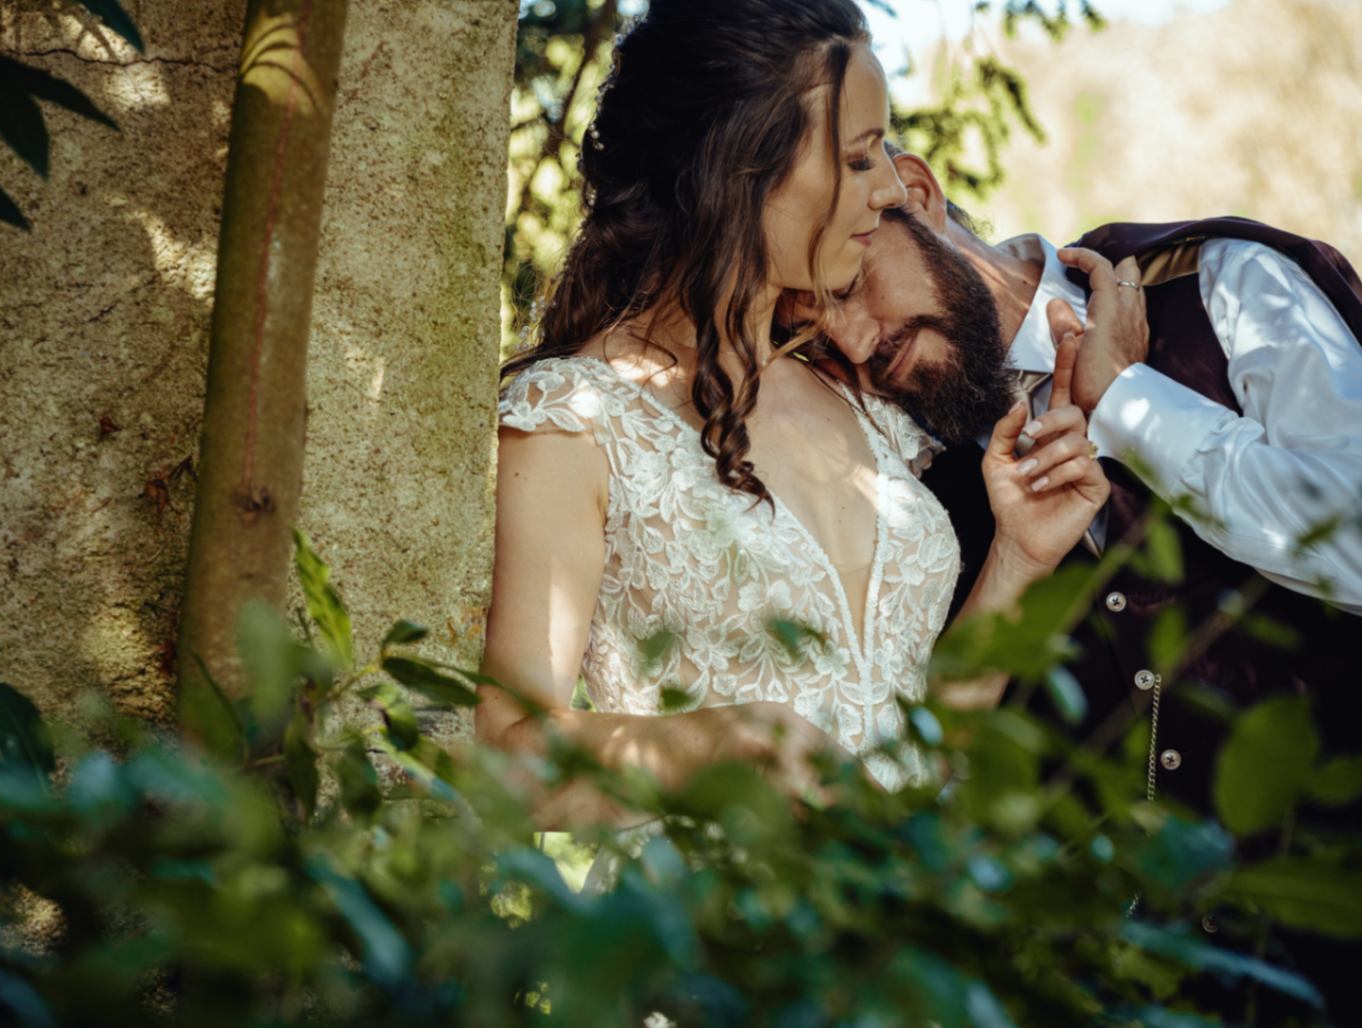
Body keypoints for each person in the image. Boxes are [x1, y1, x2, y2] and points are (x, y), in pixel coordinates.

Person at [475, 0, 1108, 871]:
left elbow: (917, 746)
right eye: (856, 157)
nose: (888, 185)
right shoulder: (573, 418)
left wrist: (1018, 561)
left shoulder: (855, 398)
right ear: (743, 171)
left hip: (897, 960)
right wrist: (718, 747)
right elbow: (506, 761)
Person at [802, 148, 1362, 1019]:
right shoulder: (904, 478)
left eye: (844, 285)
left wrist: (1130, 405)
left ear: (914, 192)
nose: (857, 341)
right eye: (812, 327)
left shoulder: (1224, 282)